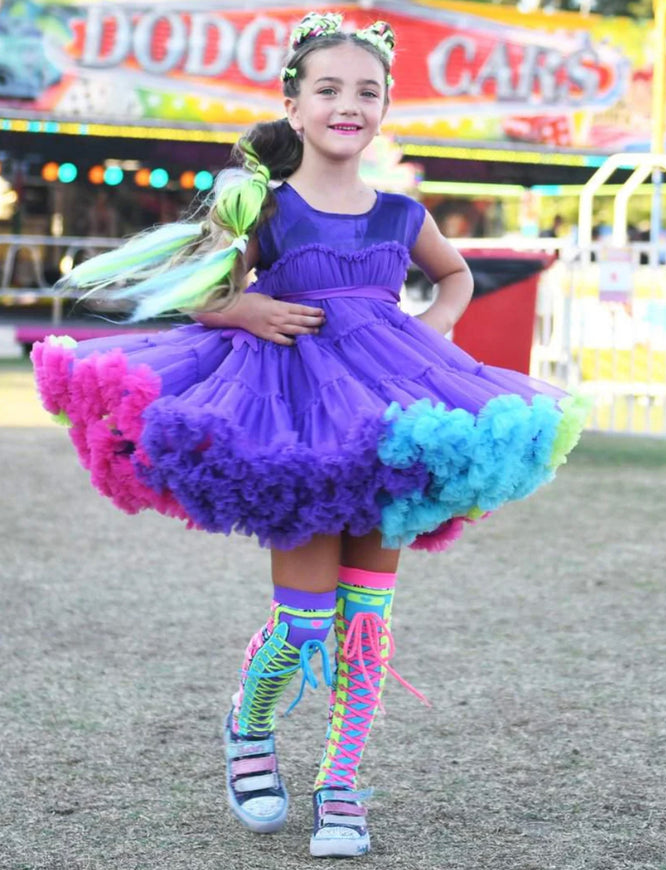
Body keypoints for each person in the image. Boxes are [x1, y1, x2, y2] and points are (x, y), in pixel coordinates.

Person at [31, 11, 589, 859]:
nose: (347, 104)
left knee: (365, 618)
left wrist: (439, 321)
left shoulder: (401, 212)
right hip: (291, 420)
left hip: (395, 419)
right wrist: (238, 304)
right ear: (294, 106)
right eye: (328, 89)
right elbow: (195, 287)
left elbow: (457, 273)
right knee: (304, 621)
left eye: (367, 91)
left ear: (385, 108)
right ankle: (251, 724)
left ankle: (341, 783)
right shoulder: (262, 203)